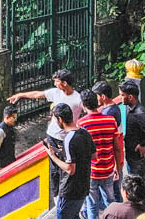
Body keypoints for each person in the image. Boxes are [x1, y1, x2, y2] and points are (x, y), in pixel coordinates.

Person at [8, 69, 83, 196]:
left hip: (67, 137)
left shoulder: (78, 99)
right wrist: (20, 95)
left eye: (57, 81)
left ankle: (66, 192)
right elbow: (38, 94)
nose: (54, 84)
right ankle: (56, 194)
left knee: (67, 166)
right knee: (54, 168)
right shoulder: (56, 93)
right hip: (52, 135)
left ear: (64, 83)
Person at [43, 102, 96, 219]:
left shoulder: (68, 139)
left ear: (60, 119)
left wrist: (53, 156)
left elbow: (70, 169)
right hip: (83, 186)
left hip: (70, 190)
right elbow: (94, 156)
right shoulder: (85, 133)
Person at [78, 89, 123, 219]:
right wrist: (118, 167)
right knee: (110, 200)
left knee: (92, 204)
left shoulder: (82, 124)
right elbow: (117, 148)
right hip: (108, 168)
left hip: (91, 172)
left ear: (84, 105)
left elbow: (81, 151)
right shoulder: (110, 120)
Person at [93, 80, 126, 201]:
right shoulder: (112, 108)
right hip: (115, 150)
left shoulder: (108, 113)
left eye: (96, 96)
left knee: (114, 186)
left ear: (103, 96)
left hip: (112, 152)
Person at [119, 80, 145, 179]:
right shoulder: (130, 107)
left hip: (137, 158)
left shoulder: (139, 113)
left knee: (137, 185)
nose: (120, 98)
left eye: (122, 95)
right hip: (132, 155)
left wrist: (142, 144)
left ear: (130, 97)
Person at [0, 105, 19, 172]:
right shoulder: (0, 131)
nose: (15, 119)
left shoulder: (10, 127)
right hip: (3, 166)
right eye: (13, 117)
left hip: (10, 162)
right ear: (7, 117)